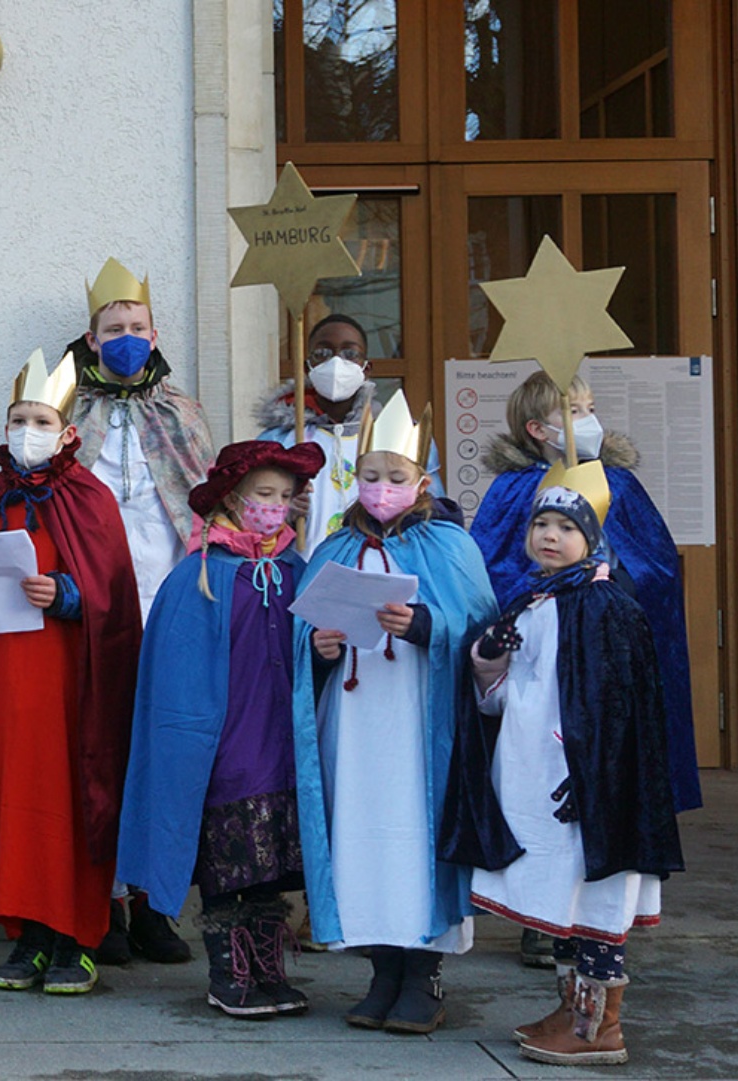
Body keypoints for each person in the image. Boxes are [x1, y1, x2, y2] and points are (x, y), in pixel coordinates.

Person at [442, 461, 683, 1067]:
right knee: (564, 901)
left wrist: (598, 777)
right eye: (541, 524)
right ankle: (571, 1010)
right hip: (536, 773)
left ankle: (599, 1027)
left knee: (594, 897)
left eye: (565, 528)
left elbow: (619, 709)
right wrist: (486, 662)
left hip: (583, 787)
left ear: (592, 538)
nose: (550, 536)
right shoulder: (534, 601)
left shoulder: (606, 607)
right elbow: (505, 697)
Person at [292, 391, 496, 1034]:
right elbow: (302, 632)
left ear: (423, 481)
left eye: (396, 478)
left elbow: (481, 625)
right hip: (353, 726)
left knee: (415, 832)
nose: (381, 489)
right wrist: (318, 647)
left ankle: (423, 973)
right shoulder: (333, 546)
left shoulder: (449, 545)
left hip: (417, 719)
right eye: (371, 477)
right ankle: (382, 970)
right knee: (359, 834)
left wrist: (424, 624)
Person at [0, 349, 140, 995]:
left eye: (40, 419)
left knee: (68, 805)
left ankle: (76, 939)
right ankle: (27, 936)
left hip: (70, 687)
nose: (28, 430)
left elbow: (112, 595)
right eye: (18, 418)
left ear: (67, 430)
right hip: (7, 684)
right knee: (15, 809)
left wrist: (68, 595)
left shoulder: (90, 498)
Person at [116, 439, 325, 1019]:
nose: (275, 505)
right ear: (233, 498)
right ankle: (227, 972)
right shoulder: (200, 574)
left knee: (271, 865)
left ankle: (267, 967)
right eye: (264, 494)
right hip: (225, 744)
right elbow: (173, 676)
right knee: (229, 861)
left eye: (285, 496)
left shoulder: (294, 569)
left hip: (280, 742)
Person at [66, 258, 211, 965]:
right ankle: (108, 906)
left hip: (171, 600)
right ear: (92, 340)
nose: (125, 337)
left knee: (166, 756)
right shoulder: (67, 413)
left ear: (154, 336)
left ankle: (159, 905)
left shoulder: (182, 412)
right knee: (101, 753)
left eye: (136, 326)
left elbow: (208, 501)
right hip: (93, 607)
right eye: (111, 328)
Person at [251, 313, 444, 551]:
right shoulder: (278, 440)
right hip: (301, 573)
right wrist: (282, 512)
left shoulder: (398, 436)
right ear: (307, 366)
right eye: (322, 353)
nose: (336, 362)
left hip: (380, 566)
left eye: (350, 353)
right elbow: (248, 517)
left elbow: (433, 513)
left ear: (366, 368)